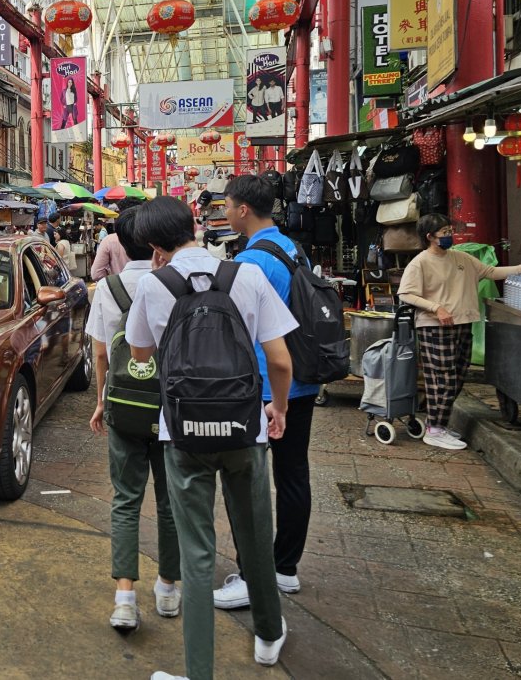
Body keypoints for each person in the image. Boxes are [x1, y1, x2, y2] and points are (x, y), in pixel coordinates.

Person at [125, 196, 294, 680]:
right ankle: (267, 636)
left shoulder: (152, 286)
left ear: (155, 245)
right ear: (196, 227)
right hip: (246, 430)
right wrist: (277, 408)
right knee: (256, 535)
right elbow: (280, 361)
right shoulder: (247, 275)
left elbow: (141, 353)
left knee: (197, 551)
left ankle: (198, 673)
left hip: (183, 433)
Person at [210, 175, 320, 611]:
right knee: (293, 474)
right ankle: (285, 569)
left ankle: (254, 574)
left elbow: (239, 327)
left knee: (246, 482)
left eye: (227, 204)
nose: (224, 210)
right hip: (301, 378)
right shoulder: (294, 250)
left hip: (263, 384)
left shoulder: (253, 262)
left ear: (242, 210)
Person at [86, 210, 181, 630]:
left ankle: (125, 597)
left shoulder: (107, 288)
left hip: (124, 405)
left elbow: (102, 354)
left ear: (122, 245)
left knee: (125, 499)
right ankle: (167, 587)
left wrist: (102, 401)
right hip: (170, 407)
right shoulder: (175, 284)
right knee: (169, 500)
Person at [397, 213, 521, 450]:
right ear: (430, 237)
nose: (450, 235)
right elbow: (406, 294)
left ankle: (438, 424)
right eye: (444, 233)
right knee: (442, 378)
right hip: (434, 327)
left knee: (458, 376)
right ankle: (434, 429)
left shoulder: (461, 258)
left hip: (463, 323)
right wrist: (436, 307)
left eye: (450, 230)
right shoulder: (419, 262)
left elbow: (491, 272)